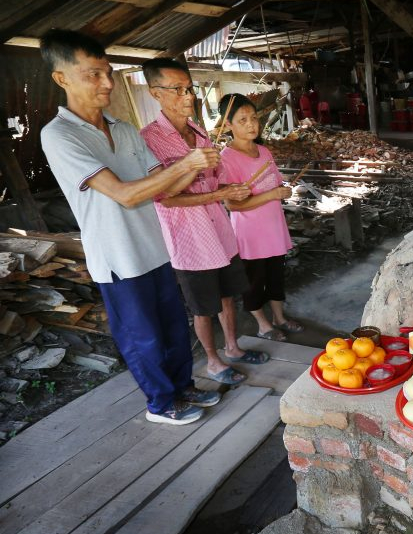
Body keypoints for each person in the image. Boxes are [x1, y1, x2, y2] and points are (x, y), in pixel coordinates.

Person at [38, 29, 221, 425]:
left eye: (108, 73)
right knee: (143, 337)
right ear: (61, 78)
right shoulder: (59, 135)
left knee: (173, 327)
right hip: (118, 256)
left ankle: (183, 386)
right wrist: (187, 165)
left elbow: (161, 183)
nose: (106, 83)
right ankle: (160, 403)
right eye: (93, 75)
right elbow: (123, 194)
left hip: (155, 245)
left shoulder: (121, 128)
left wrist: (197, 167)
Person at [139, 58, 268, 385]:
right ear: (156, 93)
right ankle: (213, 362)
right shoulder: (149, 139)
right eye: (177, 90)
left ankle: (233, 348)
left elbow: (214, 182)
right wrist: (196, 173)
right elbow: (164, 197)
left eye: (190, 89)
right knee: (202, 307)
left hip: (219, 232)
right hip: (190, 240)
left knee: (228, 295)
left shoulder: (199, 132)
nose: (188, 97)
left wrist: (231, 190)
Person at [216, 94, 303, 341]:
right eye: (242, 120)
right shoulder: (227, 159)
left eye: (253, 118)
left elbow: (275, 183)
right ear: (228, 124)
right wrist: (272, 194)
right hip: (250, 234)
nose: (251, 124)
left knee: (276, 276)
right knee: (254, 282)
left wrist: (283, 190)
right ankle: (263, 325)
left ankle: (279, 317)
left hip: (274, 228)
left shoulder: (263, 151)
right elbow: (232, 203)